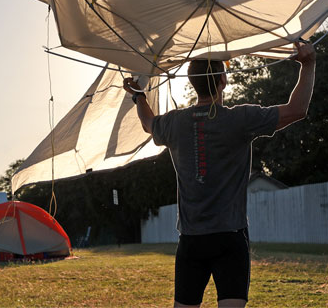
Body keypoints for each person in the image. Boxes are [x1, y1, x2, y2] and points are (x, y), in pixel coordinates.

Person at [123, 40, 316, 308]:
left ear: (192, 83)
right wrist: (308, 64)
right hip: (230, 237)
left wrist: (138, 95)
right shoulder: (240, 118)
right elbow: (297, 110)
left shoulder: (173, 123)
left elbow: (147, 123)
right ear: (224, 80)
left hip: (190, 241)